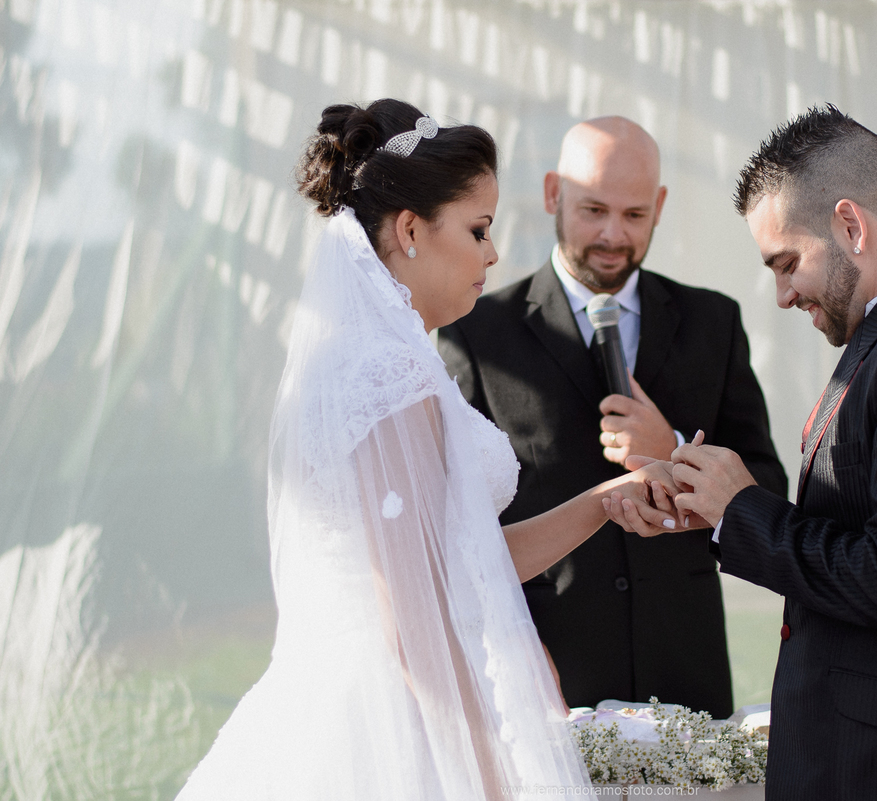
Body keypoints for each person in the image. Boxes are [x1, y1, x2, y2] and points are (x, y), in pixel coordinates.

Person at [177, 100, 675, 800]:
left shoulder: (376, 361)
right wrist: (493, 777)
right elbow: (414, 622)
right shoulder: (387, 376)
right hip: (388, 731)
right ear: (410, 229)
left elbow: (456, 558)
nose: (493, 254)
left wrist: (599, 504)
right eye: (478, 229)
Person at [605, 106, 877, 800]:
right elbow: (859, 540)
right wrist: (717, 510)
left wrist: (742, 511)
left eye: (787, 262)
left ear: (850, 225)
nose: (780, 294)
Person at [437, 116, 787, 718]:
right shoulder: (476, 334)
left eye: (633, 215)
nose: (612, 235)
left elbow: (769, 488)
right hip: (548, 672)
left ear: (660, 205)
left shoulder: (714, 323)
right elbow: (455, 522)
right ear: (553, 193)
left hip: (686, 673)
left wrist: (674, 448)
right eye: (593, 210)